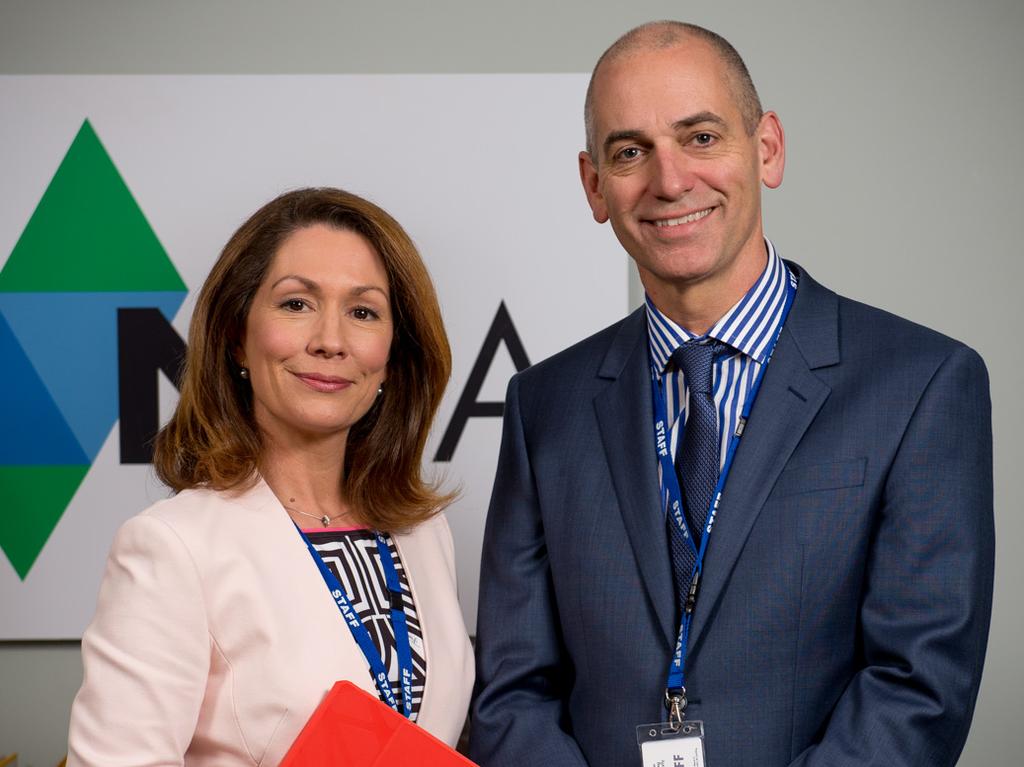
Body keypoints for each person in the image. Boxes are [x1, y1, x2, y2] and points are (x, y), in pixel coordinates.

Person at [469, 21, 994, 767]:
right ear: (594, 185)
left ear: (767, 148)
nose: (671, 180)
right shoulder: (541, 404)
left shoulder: (922, 384)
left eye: (702, 137)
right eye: (629, 151)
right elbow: (512, 691)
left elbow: (918, 690)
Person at [68, 187, 473, 766]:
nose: (330, 341)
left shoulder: (424, 534)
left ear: (393, 351)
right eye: (296, 304)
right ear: (237, 333)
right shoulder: (172, 548)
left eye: (363, 312)